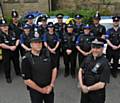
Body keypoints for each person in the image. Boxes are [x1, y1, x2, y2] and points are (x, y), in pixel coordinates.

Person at [21, 37, 57, 103]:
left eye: (40, 43)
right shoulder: (26, 59)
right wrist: (41, 90)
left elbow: (54, 68)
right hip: (35, 90)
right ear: (31, 45)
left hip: (49, 87)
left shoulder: (48, 54)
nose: (38, 45)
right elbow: (27, 80)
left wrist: (51, 85)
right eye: (35, 43)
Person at [78, 38, 110, 103]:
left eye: (98, 48)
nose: (95, 50)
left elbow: (102, 84)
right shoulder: (88, 57)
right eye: (93, 47)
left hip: (97, 95)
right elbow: (80, 70)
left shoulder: (105, 63)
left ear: (102, 48)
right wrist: (81, 85)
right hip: (85, 92)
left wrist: (88, 89)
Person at [0, 18, 21, 83]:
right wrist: (10, 47)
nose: (5, 27)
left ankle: (18, 72)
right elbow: (1, 44)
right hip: (6, 52)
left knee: (16, 62)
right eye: (3, 26)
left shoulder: (12, 32)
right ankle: (8, 77)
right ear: (0, 27)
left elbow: (18, 39)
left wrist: (15, 46)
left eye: (6, 25)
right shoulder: (0, 34)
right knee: (7, 64)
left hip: (15, 50)